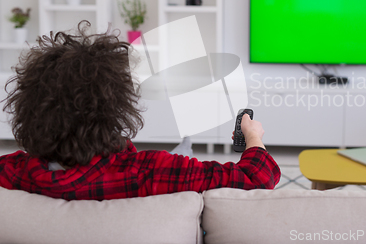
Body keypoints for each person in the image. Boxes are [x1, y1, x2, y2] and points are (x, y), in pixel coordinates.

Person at [0, 22, 280, 200]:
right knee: (183, 156)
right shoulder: (152, 171)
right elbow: (258, 177)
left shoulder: (11, 172)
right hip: (153, 168)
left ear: (29, 110)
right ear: (116, 108)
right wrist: (253, 136)